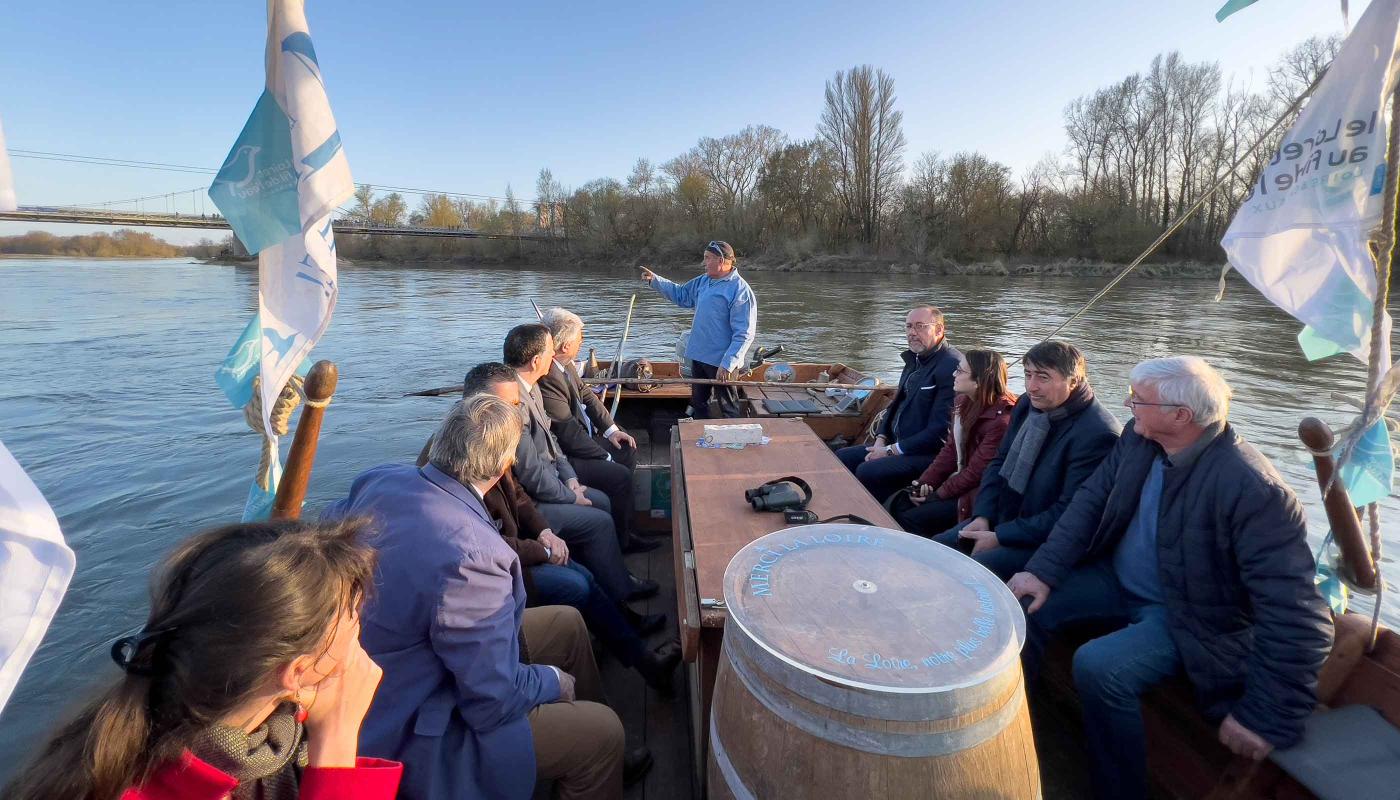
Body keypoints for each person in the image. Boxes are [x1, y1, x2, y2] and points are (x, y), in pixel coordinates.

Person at [1010, 356, 1333, 800]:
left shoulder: (1253, 490)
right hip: (1117, 580)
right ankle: (1018, 729)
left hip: (1191, 614)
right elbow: (1089, 503)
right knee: (1021, 608)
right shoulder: (1139, 439)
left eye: (1138, 401)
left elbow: (1298, 614)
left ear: (1180, 416)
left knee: (1099, 667)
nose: (1128, 407)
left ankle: (1118, 790)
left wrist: (1265, 715)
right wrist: (1042, 572)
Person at [326, 395, 644, 800]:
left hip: (399, 659)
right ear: (502, 466)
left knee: (566, 621)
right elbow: (490, 700)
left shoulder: (379, 480)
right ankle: (593, 757)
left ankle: (582, 720)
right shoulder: (475, 557)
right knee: (603, 735)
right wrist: (550, 681)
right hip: (416, 720)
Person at [4, 519, 401, 800]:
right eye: (353, 627)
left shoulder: (269, 744)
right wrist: (337, 741)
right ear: (297, 671)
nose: (360, 651)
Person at [418, 362, 681, 692]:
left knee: (582, 574)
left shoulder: (490, 435)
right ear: (480, 404)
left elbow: (517, 493)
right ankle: (629, 663)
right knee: (577, 584)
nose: (518, 412)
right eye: (511, 405)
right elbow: (483, 546)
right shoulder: (459, 454)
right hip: (494, 576)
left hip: (514, 549)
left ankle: (633, 648)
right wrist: (542, 550)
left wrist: (544, 531)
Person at [931, 340, 1119, 580]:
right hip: (1003, 518)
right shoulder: (1028, 405)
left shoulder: (1098, 434)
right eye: (1028, 374)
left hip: (1043, 541)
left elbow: (1069, 513)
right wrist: (983, 516)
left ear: (1074, 381)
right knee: (935, 550)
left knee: (966, 574)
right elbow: (999, 462)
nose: (1032, 387)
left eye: (1043, 377)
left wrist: (1001, 536)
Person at [504, 325, 660, 602]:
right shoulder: (515, 401)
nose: (553, 356)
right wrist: (569, 494)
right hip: (532, 500)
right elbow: (531, 471)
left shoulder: (531, 388)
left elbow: (550, 438)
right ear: (537, 361)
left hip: (554, 474)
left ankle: (611, 570)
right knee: (600, 513)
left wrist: (570, 478)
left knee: (602, 499)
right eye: (549, 351)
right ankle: (619, 588)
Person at [537, 307, 658, 554]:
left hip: (584, 438)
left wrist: (611, 430)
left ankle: (624, 524)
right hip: (567, 455)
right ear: (564, 346)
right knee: (619, 474)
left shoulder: (565, 365)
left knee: (626, 447)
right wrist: (605, 456)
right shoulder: (548, 375)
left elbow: (587, 396)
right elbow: (568, 434)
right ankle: (621, 540)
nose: (582, 342)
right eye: (579, 338)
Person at [835, 306, 961, 502]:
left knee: (868, 470)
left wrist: (890, 451)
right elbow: (894, 406)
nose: (912, 333)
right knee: (842, 456)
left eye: (920, 327)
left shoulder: (951, 366)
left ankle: (878, 519)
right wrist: (881, 439)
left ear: (939, 330)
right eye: (909, 326)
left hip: (926, 454)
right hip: (895, 444)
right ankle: (844, 506)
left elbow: (940, 432)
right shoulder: (914, 360)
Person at [890, 348, 1017, 536]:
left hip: (979, 495)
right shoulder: (962, 403)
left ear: (979, 380)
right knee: (902, 502)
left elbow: (976, 473)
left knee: (913, 518)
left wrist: (937, 494)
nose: (953, 374)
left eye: (960, 371)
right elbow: (950, 451)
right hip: (959, 481)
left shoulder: (1001, 421)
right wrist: (924, 483)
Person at [640, 239, 757, 418]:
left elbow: (745, 334)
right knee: (699, 403)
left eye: (708, 258)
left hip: (722, 361)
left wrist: (728, 364)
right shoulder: (704, 281)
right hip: (699, 356)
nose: (704, 263)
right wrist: (656, 281)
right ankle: (700, 440)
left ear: (721, 260)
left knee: (728, 406)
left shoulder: (740, 290)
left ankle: (732, 441)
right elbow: (681, 295)